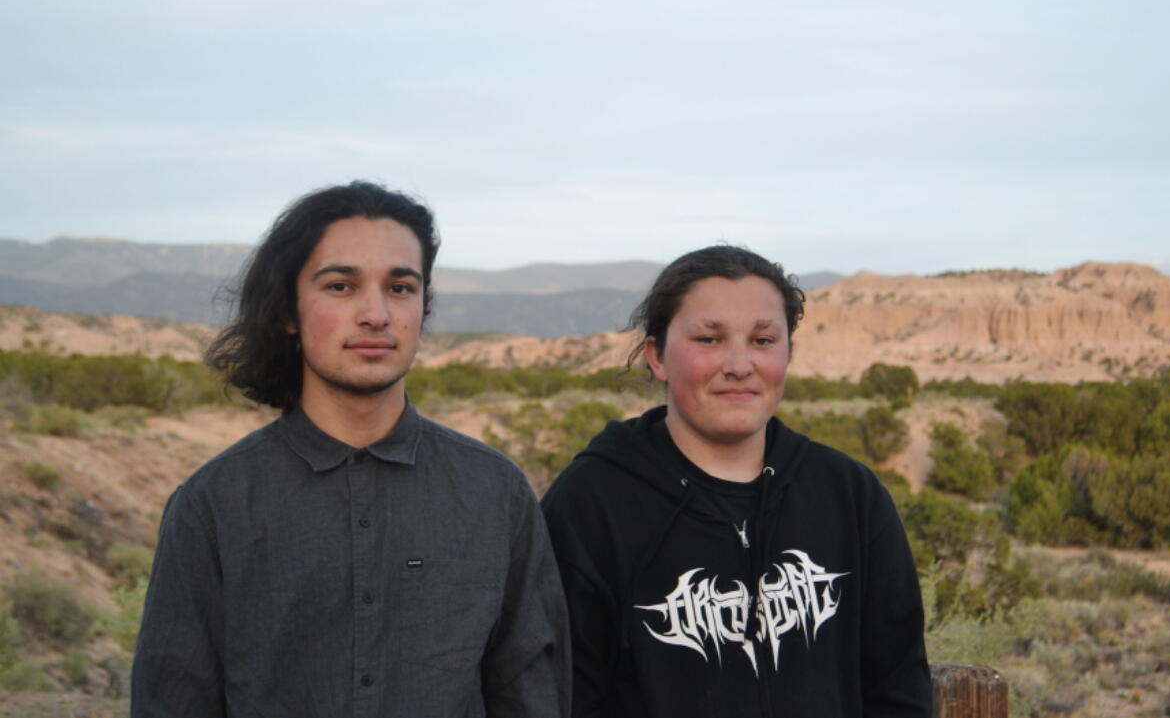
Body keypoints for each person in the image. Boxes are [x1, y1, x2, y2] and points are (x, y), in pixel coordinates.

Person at [132, 181, 570, 718]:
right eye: (341, 286)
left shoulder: (495, 493)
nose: (375, 314)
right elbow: (172, 702)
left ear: (423, 308)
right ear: (287, 313)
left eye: (400, 287)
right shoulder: (213, 505)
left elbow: (532, 694)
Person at [542, 245, 930, 718]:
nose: (740, 364)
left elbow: (898, 686)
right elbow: (565, 696)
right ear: (657, 356)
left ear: (788, 354)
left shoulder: (849, 495)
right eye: (709, 339)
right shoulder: (591, 505)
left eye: (763, 340)